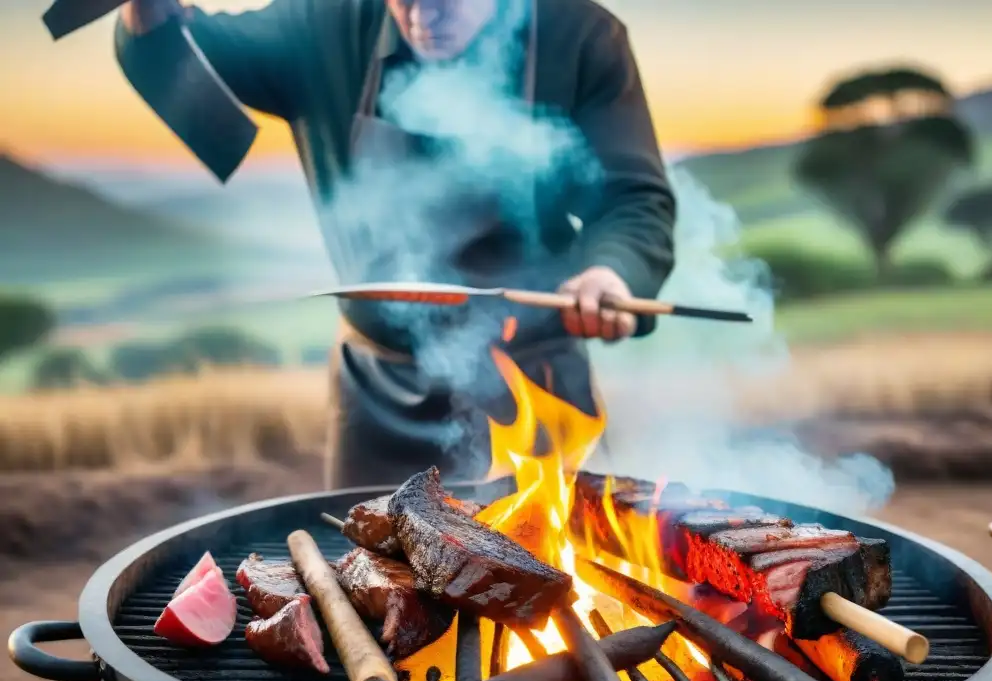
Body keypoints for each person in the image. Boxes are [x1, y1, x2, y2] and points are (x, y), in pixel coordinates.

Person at [115, 0, 677, 488]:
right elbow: (179, 45)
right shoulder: (323, 22)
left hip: (534, 379)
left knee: (553, 585)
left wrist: (613, 271)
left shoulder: (581, 36)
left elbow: (633, 197)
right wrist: (146, 15)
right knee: (369, 591)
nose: (423, 15)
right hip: (380, 398)